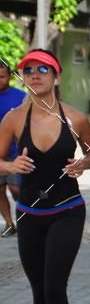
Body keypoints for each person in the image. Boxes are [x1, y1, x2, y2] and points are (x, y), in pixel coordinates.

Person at [0, 49, 90, 304]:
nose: (35, 75)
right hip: (29, 214)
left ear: (56, 76)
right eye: (28, 70)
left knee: (55, 286)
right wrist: (11, 167)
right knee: (39, 292)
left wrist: (82, 165)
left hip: (67, 210)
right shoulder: (13, 118)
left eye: (43, 69)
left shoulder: (74, 118)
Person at [0, 60, 26, 236]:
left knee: (17, 189)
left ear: (9, 76)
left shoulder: (21, 97)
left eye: (1, 76)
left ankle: (24, 216)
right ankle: (9, 223)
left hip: (16, 152)